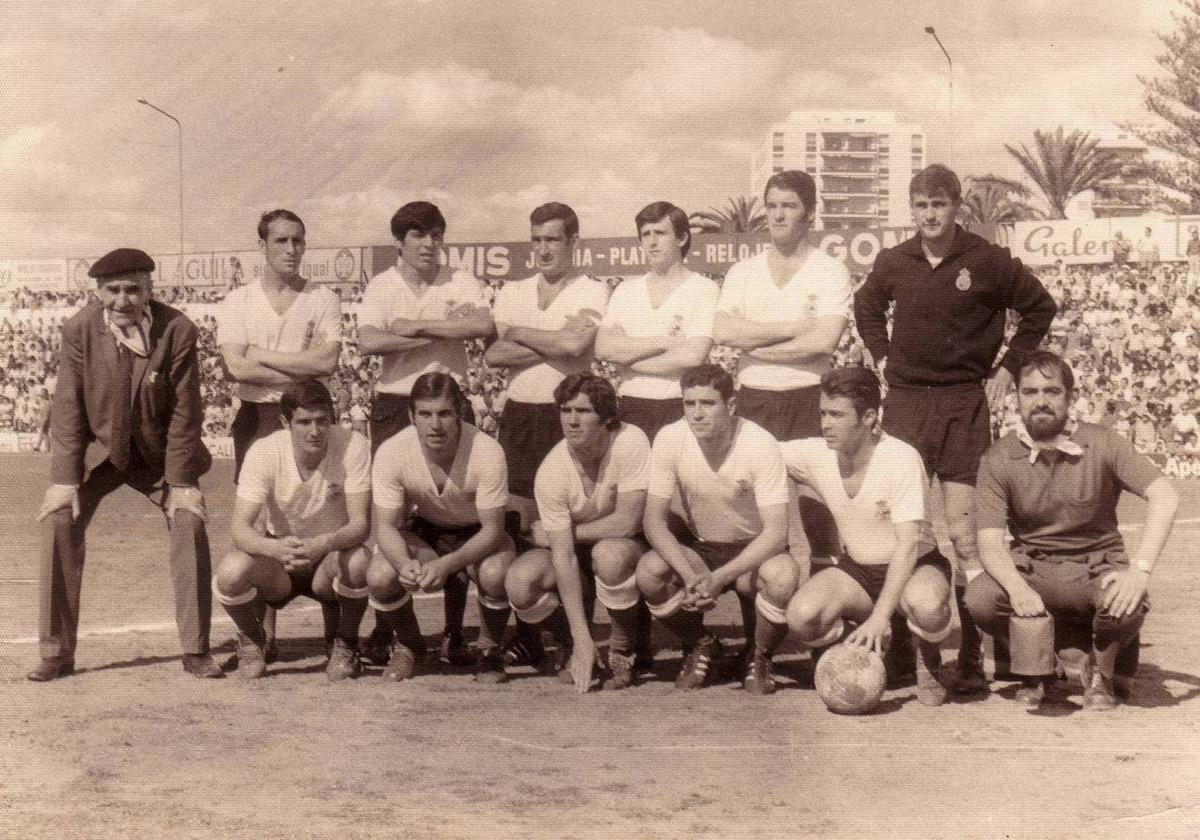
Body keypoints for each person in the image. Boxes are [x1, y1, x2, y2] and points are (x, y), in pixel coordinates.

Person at [853, 164, 1057, 692]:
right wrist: (880, 356)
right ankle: (915, 656)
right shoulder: (895, 261)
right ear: (911, 208)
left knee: (967, 537)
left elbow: (1040, 307)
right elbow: (866, 307)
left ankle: (971, 652)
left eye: (938, 205)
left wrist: (1010, 366)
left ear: (956, 207)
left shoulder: (985, 260)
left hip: (965, 403)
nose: (929, 215)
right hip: (905, 406)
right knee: (909, 531)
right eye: (920, 205)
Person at [28, 248, 219, 681]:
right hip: (100, 451)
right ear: (98, 292)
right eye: (112, 290)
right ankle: (56, 652)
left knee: (189, 520)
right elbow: (68, 406)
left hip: (154, 454)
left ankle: (195, 649)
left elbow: (186, 413)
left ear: (150, 290)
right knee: (57, 518)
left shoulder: (178, 330)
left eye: (133, 289)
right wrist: (64, 480)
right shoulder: (79, 329)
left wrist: (182, 483)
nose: (122, 300)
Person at [964, 351, 1178, 709]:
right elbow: (989, 543)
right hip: (1034, 569)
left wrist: (1139, 572)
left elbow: (1165, 497)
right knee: (980, 598)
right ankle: (1041, 667)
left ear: (1071, 397)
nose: (1041, 401)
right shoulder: (998, 458)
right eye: (1030, 392)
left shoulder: (1104, 442)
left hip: (1097, 567)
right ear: (1016, 398)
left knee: (1128, 602)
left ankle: (1100, 670)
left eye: (1052, 391)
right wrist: (1017, 589)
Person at [356, 202, 494, 666]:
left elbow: (481, 325)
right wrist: (442, 334)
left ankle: (456, 631)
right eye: (418, 235)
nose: (429, 244)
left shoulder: (459, 279)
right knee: (393, 515)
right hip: (396, 403)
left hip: (445, 400)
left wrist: (416, 326)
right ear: (400, 242)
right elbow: (370, 341)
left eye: (436, 234)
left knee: (457, 511)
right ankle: (389, 628)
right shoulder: (381, 285)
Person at [782, 367, 955, 706]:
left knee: (928, 606)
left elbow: (907, 547)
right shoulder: (815, 453)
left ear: (869, 417)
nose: (825, 423)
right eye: (822, 413)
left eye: (836, 414)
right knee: (801, 616)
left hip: (915, 566)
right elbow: (755, 447)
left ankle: (926, 654)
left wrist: (879, 617)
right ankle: (874, 647)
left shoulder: (900, 458)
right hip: (859, 572)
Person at [217, 210, 343, 656]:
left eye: (298, 241)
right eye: (281, 241)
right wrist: (297, 363)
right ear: (263, 246)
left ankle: (339, 633)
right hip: (256, 416)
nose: (291, 250)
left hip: (309, 413)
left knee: (326, 508)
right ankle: (260, 636)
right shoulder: (238, 301)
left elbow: (327, 364)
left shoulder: (322, 297)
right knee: (263, 517)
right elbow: (236, 367)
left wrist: (263, 354)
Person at [637, 364, 805, 693]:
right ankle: (702, 643)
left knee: (784, 577)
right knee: (649, 572)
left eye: (708, 403)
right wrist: (689, 575)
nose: (697, 414)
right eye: (690, 404)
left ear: (730, 406)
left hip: (755, 550)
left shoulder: (759, 443)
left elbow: (776, 533)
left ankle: (759, 655)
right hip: (701, 547)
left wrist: (720, 578)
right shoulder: (670, 438)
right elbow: (653, 521)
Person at [211, 380, 372, 680]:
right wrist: (275, 548)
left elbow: (361, 525)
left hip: (329, 559)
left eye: (322, 420)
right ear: (286, 422)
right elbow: (239, 528)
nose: (314, 431)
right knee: (231, 571)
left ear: (332, 417)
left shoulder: (353, 445)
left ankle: (345, 642)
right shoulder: (264, 451)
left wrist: (323, 543)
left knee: (361, 560)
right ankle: (252, 639)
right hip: (280, 561)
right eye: (304, 422)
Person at [503, 374, 653, 692]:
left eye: (583, 411)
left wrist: (563, 533)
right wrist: (581, 637)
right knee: (520, 583)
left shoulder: (631, 440)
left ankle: (623, 648)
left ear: (607, 417)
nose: (571, 420)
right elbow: (563, 556)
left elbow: (628, 523)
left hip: (624, 547)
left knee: (609, 554)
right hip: (576, 552)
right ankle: (573, 642)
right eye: (565, 410)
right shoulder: (552, 472)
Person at [366, 373, 516, 682]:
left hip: (478, 533)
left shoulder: (487, 450)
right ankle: (409, 645)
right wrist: (403, 563)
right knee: (380, 574)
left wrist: (448, 564)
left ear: (459, 413)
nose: (435, 424)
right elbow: (385, 527)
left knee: (495, 572)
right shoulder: (392, 451)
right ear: (411, 416)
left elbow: (493, 530)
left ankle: (489, 650)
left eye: (444, 413)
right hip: (428, 531)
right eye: (425, 414)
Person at [486, 203, 609, 523]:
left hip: (567, 414)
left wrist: (519, 332)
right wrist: (559, 343)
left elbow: (576, 345)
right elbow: (495, 355)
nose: (542, 249)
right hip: (519, 414)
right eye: (536, 240)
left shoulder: (594, 290)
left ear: (573, 241)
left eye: (552, 240)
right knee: (517, 514)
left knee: (568, 510)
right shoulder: (513, 291)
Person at [595, 202, 719, 443]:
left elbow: (692, 358)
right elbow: (603, 349)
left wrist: (627, 360)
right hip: (630, 405)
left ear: (682, 238)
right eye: (645, 235)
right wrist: (665, 343)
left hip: (679, 407)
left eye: (660, 233)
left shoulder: (703, 289)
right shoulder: (625, 290)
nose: (651, 242)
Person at [1185, 226, 1200, 294]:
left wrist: (1198, 255)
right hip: (1191, 256)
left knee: (1197, 269)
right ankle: (1192, 279)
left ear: (1198, 235)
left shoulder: (1199, 241)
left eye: (1196, 235)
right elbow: (1187, 250)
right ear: (1192, 236)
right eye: (1193, 235)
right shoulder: (1189, 241)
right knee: (1191, 270)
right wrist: (1190, 255)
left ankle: (1197, 280)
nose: (1195, 236)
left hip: (1197, 256)